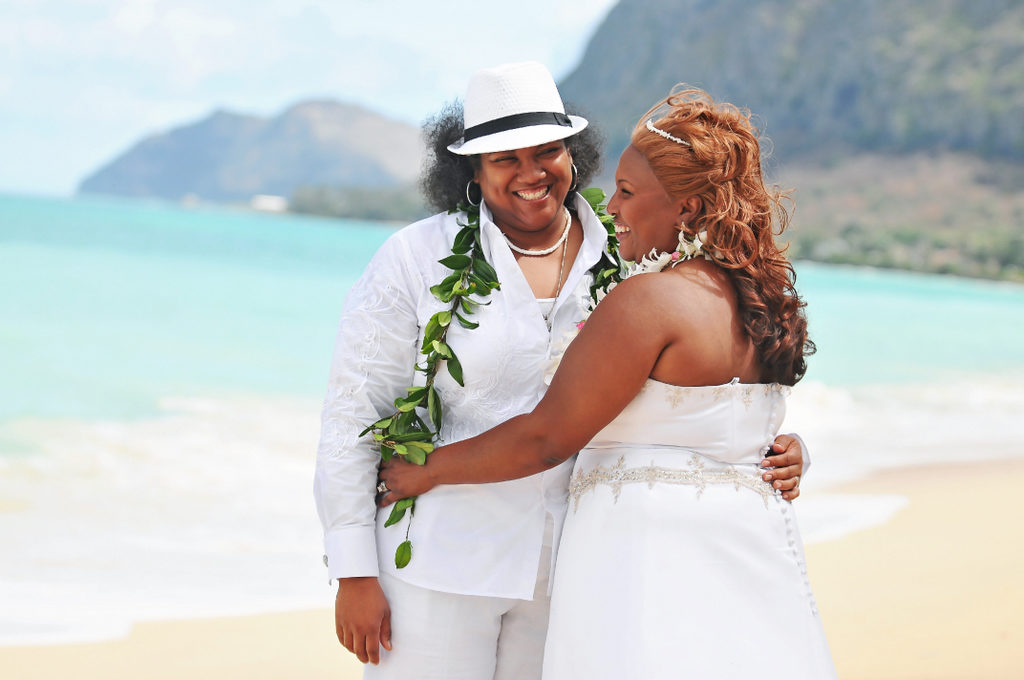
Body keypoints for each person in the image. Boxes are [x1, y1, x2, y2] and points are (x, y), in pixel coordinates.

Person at [314, 62, 806, 680]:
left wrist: (779, 449)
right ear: (472, 170)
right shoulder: (417, 259)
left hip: (578, 570)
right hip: (441, 562)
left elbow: (694, 389)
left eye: (547, 151)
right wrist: (353, 569)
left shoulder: (630, 259)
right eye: (503, 159)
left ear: (573, 154)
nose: (530, 174)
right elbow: (355, 414)